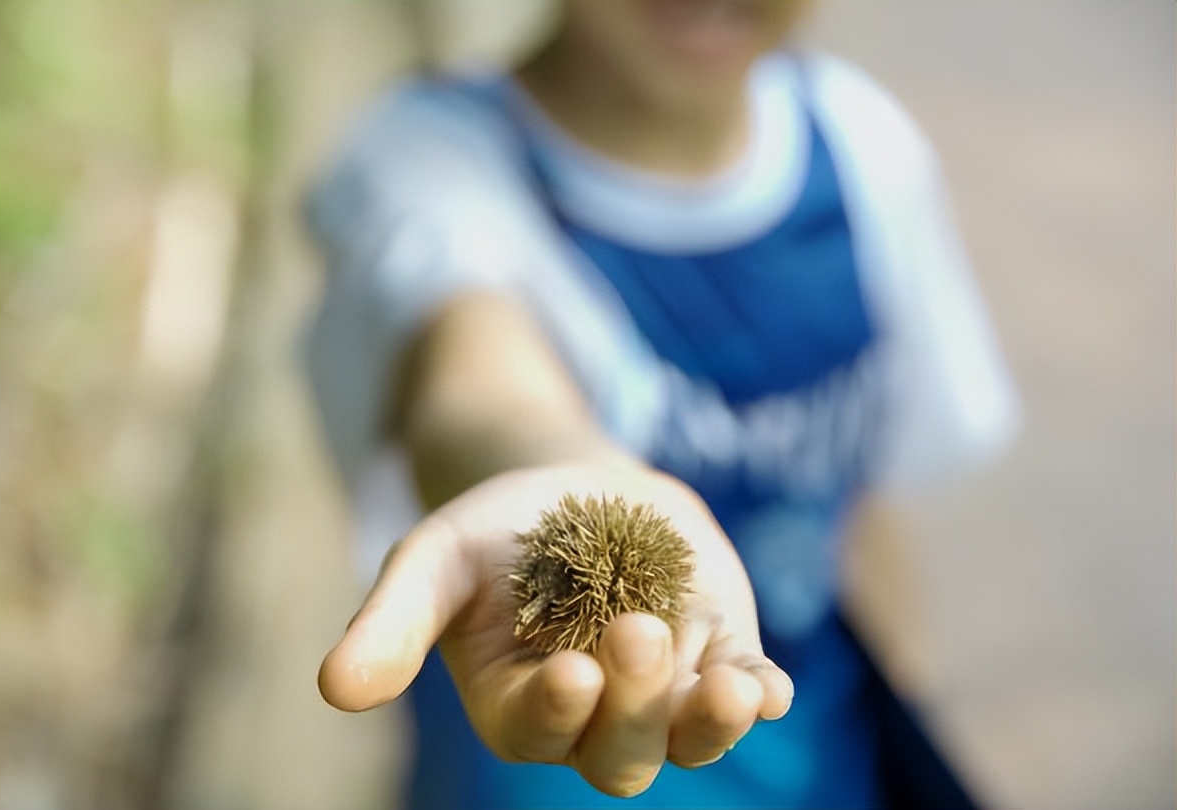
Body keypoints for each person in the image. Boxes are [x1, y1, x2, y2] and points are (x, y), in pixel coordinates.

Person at [303, 1, 1018, 807]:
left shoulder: (864, 144)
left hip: (823, 755)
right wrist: (562, 470)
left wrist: (909, 694)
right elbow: (478, 386)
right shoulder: (428, 161)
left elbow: (868, 503)